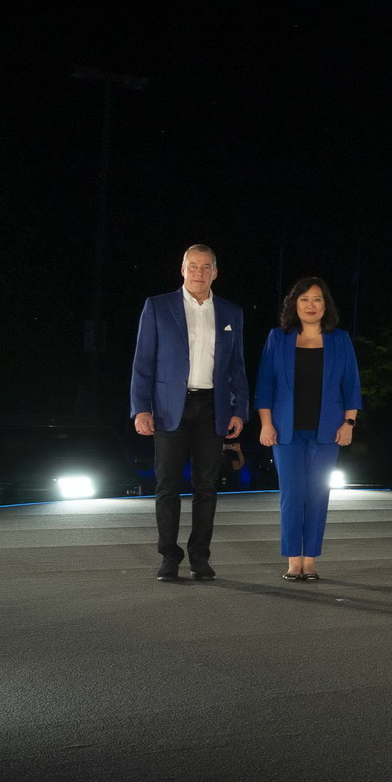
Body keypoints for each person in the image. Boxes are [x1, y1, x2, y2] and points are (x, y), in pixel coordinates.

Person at [131, 245, 250, 582]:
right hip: (170, 408)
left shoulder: (231, 312)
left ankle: (200, 557)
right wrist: (141, 408)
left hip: (212, 408)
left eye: (206, 266)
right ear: (182, 269)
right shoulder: (158, 306)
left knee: (206, 487)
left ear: (215, 272)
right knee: (167, 485)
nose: (199, 272)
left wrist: (239, 410)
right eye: (193, 266)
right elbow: (143, 362)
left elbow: (237, 366)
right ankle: (169, 557)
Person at [256, 277, 362, 582]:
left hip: (327, 431)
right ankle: (293, 560)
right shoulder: (278, 338)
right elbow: (265, 385)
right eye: (304, 299)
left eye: (317, 299)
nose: (310, 305)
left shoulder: (340, 339)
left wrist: (349, 423)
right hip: (284, 431)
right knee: (291, 495)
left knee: (318, 495)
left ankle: (310, 560)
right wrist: (266, 424)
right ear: (294, 304)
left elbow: (351, 385)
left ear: (325, 305)